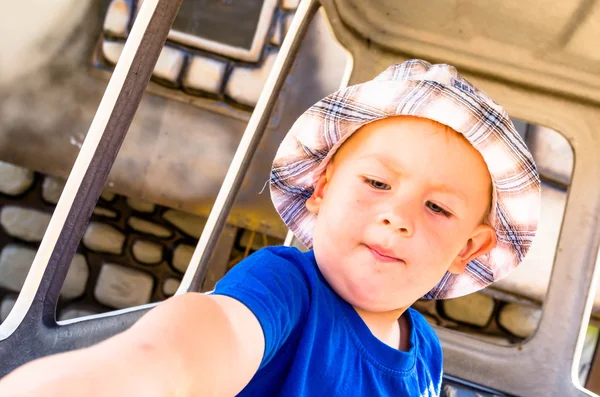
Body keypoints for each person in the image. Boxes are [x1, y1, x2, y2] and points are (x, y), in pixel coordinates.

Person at [0, 59, 540, 396]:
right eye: (377, 183)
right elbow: (181, 350)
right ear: (324, 187)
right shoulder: (285, 288)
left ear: (467, 248)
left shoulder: (424, 354)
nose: (396, 217)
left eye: (437, 209)